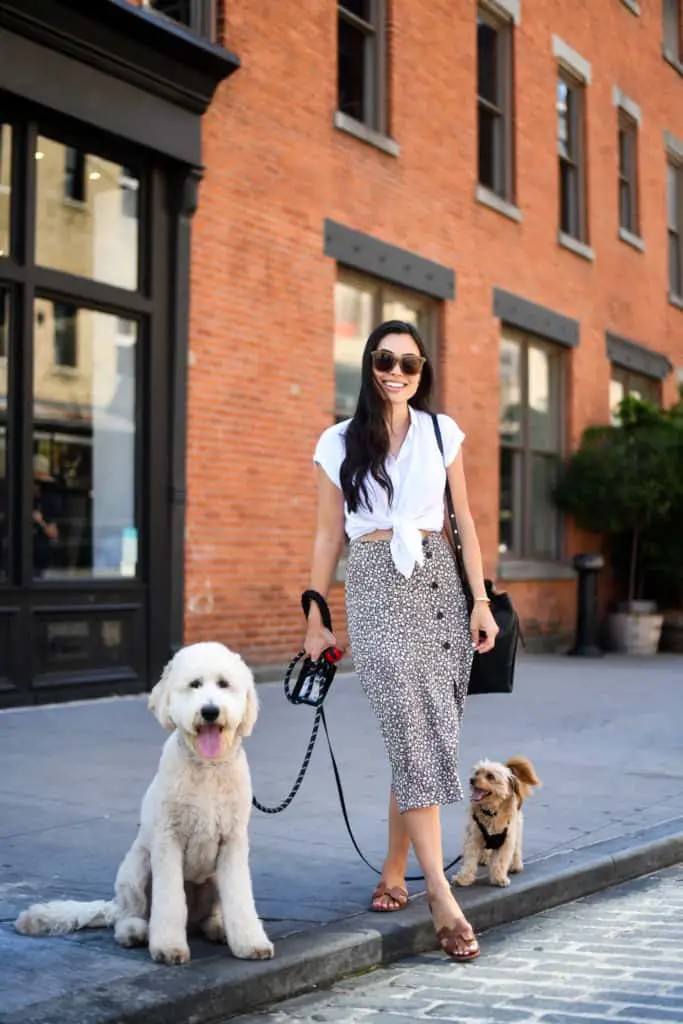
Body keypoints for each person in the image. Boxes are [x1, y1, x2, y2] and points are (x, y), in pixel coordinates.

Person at [304, 320, 499, 962]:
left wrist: (479, 601)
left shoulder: (442, 433)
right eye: (385, 360)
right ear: (368, 364)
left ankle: (394, 870)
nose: (396, 372)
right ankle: (440, 892)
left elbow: (465, 519)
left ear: (422, 373)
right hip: (374, 583)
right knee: (408, 723)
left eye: (409, 365)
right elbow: (328, 534)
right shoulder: (337, 441)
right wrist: (315, 612)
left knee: (420, 730)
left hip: (440, 584)